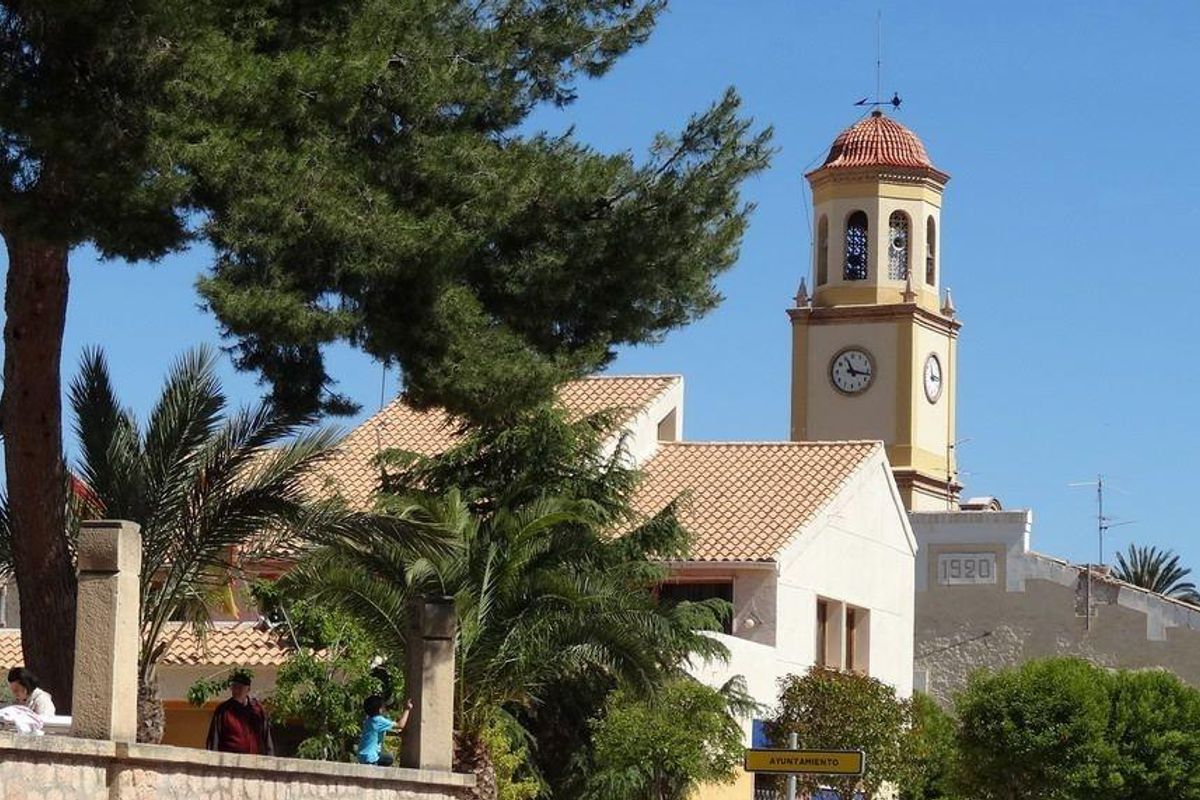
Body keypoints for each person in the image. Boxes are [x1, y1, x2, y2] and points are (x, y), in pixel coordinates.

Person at [205, 671, 274, 755]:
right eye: (234, 687)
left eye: (240, 687)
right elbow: (214, 739)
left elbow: (266, 738)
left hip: (254, 760)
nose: (236, 690)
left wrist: (270, 757)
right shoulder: (223, 710)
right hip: (229, 761)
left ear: (248, 689)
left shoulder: (257, 710)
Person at [357, 694, 413, 766]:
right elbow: (400, 725)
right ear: (380, 709)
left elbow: (377, 733)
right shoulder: (378, 720)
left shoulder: (369, 721)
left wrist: (396, 734)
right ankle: (375, 765)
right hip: (371, 757)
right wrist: (407, 709)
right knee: (389, 759)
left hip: (362, 756)